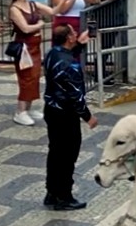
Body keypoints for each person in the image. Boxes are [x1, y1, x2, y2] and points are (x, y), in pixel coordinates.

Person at [41, 23, 97, 211]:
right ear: (69, 38)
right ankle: (64, 196)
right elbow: (76, 95)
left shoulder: (51, 54)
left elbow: (66, 56)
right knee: (67, 155)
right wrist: (88, 117)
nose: (76, 34)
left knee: (55, 152)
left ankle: (52, 192)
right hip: (66, 114)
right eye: (73, 34)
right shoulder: (70, 65)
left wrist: (80, 45)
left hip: (51, 109)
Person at [6, 0, 53, 126]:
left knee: (35, 77)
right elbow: (25, 28)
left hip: (35, 46)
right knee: (26, 78)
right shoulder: (15, 9)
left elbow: (52, 11)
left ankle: (29, 107)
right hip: (24, 48)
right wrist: (39, 25)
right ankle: (20, 111)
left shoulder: (32, 4)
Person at [90, 0, 132, 83]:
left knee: (105, 49)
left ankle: (101, 74)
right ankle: (100, 75)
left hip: (110, 21)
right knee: (104, 49)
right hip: (106, 22)